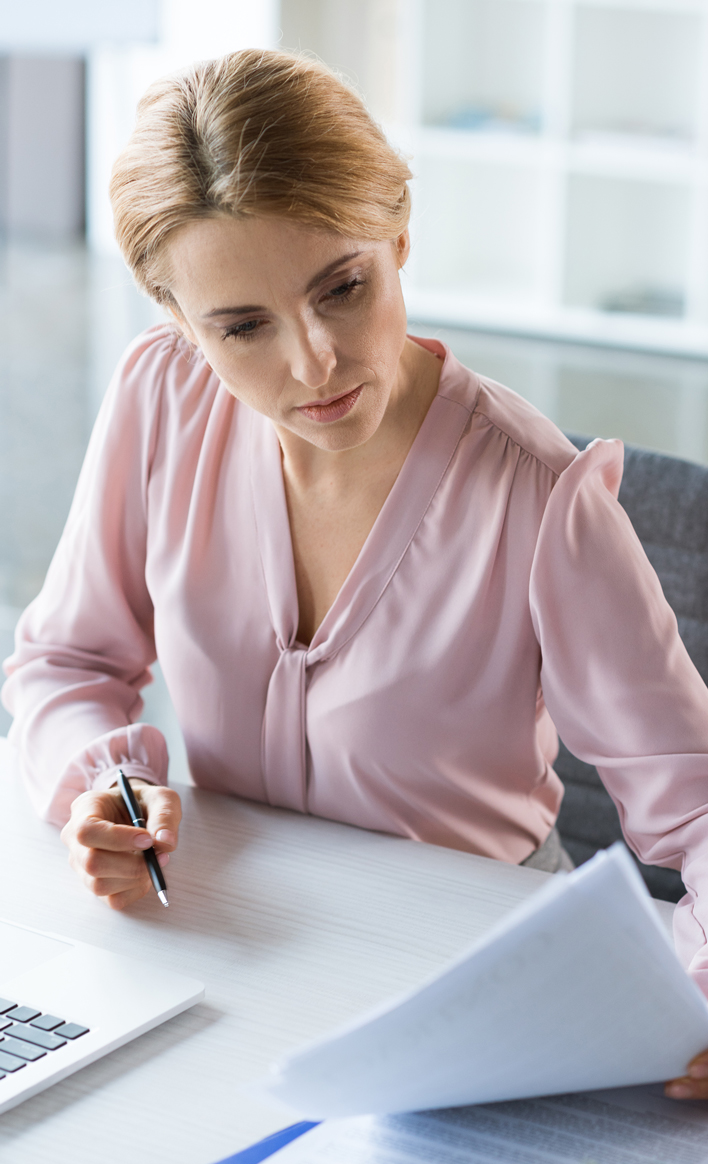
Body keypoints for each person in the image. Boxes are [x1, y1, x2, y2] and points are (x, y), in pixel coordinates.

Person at [3, 48, 708, 1101]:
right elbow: (66, 658)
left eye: (344, 286)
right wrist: (104, 788)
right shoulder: (161, 396)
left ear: (398, 237)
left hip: (474, 983)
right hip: (233, 944)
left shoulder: (539, 496)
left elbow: (696, 805)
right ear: (177, 319)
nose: (314, 361)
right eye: (240, 326)